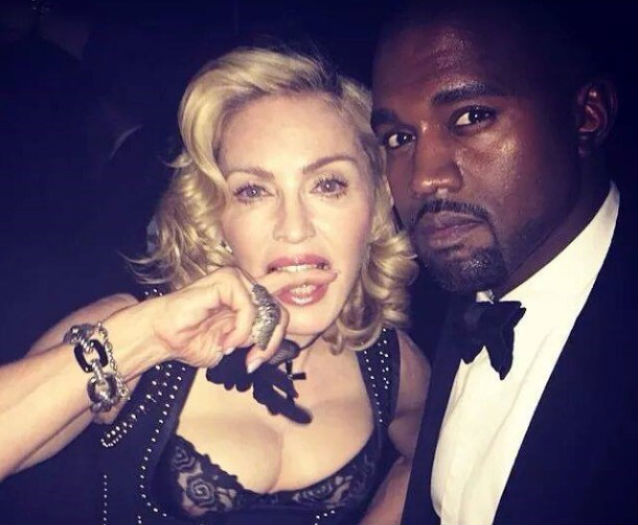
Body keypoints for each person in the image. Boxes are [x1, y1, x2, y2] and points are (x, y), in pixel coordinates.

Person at [0, 47, 429, 525]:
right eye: (253, 191)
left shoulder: (388, 362)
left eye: (327, 184)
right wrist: (148, 339)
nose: (294, 228)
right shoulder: (129, 328)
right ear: (218, 215)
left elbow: (429, 457)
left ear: (378, 197)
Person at [371, 1, 637, 524]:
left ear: (587, 116)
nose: (424, 178)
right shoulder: (441, 298)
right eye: (399, 138)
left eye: (471, 117)